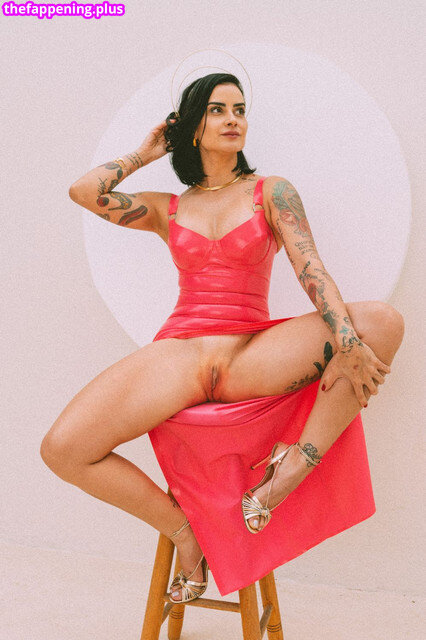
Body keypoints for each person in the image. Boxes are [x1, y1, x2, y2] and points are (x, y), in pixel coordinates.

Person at [40, 73, 405, 603]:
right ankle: (185, 535)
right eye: (217, 109)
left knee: (383, 322)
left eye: (239, 109)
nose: (233, 119)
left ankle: (292, 467)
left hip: (251, 354)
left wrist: (346, 339)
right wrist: (146, 152)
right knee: (63, 449)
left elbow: (311, 269)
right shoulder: (167, 208)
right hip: (182, 354)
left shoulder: (271, 192)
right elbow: (84, 192)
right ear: (193, 126)